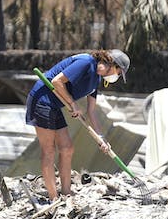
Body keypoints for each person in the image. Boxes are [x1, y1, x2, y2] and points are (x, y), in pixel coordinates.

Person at [26, 49, 130, 200]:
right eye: (118, 72)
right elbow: (56, 81)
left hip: (54, 105)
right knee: (49, 150)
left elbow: (91, 110)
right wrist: (73, 104)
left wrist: (101, 138)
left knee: (67, 148)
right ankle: (53, 197)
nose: (117, 76)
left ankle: (66, 193)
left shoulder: (96, 80)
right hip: (42, 100)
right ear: (110, 63)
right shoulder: (85, 62)